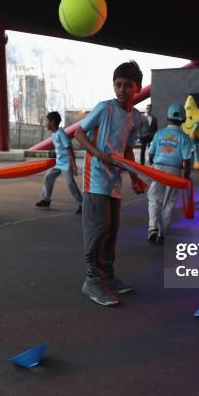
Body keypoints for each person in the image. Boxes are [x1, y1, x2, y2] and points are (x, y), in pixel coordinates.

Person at [74, 60, 145, 307]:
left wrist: (135, 176)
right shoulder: (104, 109)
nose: (122, 89)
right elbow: (79, 134)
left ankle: (107, 275)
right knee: (99, 226)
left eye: (128, 85)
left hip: (115, 178)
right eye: (118, 84)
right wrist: (98, 153)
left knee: (113, 228)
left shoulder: (135, 117)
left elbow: (127, 149)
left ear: (138, 88)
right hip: (95, 175)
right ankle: (91, 279)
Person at [147, 102, 192, 244]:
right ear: (184, 120)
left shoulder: (159, 134)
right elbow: (187, 161)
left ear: (167, 118)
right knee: (168, 203)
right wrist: (186, 177)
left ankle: (153, 227)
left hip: (158, 169)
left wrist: (152, 167)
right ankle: (162, 234)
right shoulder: (185, 138)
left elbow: (151, 154)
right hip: (175, 172)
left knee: (154, 199)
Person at [35, 111, 83, 214]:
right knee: (48, 177)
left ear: (52, 122)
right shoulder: (54, 134)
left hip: (66, 164)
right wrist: (53, 153)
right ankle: (46, 200)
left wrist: (73, 165)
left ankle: (82, 204)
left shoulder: (61, 133)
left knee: (70, 184)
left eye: (47, 121)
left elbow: (69, 148)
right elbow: (59, 148)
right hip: (58, 163)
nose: (46, 123)